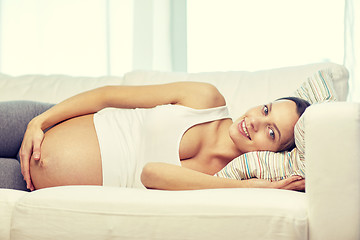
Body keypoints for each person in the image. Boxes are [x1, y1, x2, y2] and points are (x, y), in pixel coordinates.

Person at [13, 82, 307, 191]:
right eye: (266, 109)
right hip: (42, 124)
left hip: (24, 182)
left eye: (271, 132)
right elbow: (107, 95)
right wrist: (37, 123)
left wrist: (255, 188)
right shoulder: (206, 98)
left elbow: (151, 174)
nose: (255, 121)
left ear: (275, 154)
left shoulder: (218, 180)